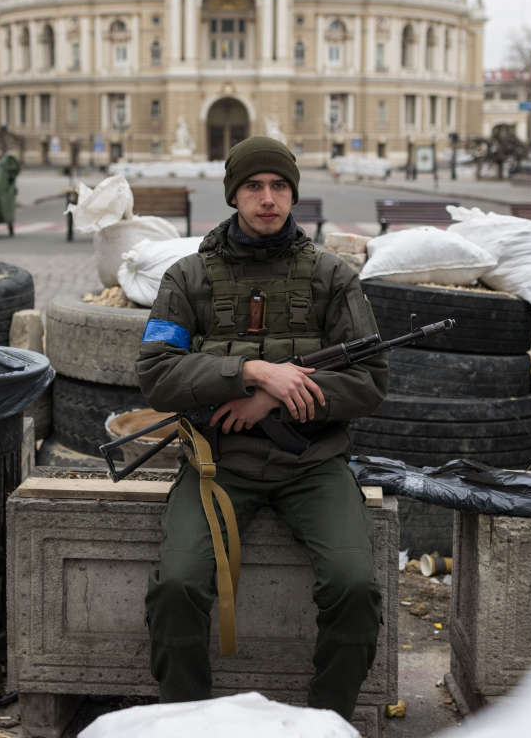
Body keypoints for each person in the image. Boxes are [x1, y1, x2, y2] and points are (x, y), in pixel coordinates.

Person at [136, 136, 388, 722]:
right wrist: (248, 372)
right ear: (234, 195)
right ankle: (185, 723)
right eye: (254, 186)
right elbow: (155, 375)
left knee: (354, 588)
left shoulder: (331, 276)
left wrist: (271, 402)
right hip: (217, 464)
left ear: (294, 193)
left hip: (313, 465)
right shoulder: (189, 277)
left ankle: (329, 722)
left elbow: (370, 382)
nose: (267, 198)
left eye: (279, 186)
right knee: (175, 587)